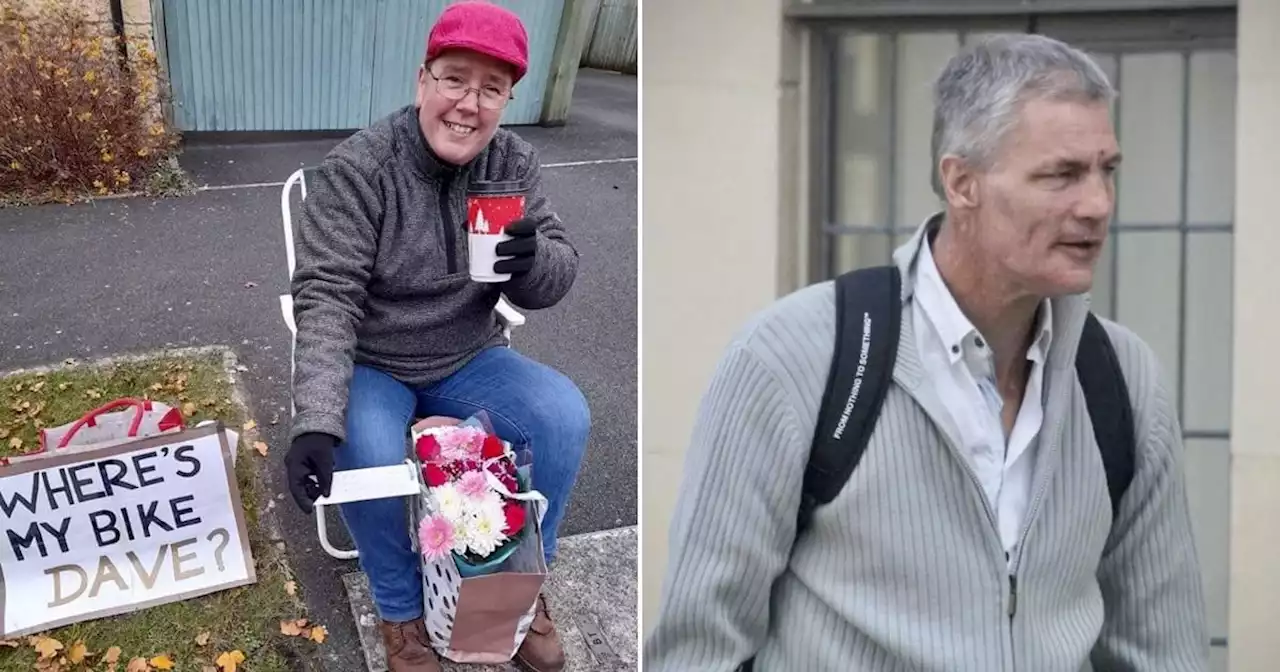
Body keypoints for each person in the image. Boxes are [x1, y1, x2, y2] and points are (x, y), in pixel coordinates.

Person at [644, 34, 1208, 671]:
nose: (1098, 204)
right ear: (962, 182)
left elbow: (1164, 651)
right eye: (1061, 175)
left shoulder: (1125, 381)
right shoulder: (791, 356)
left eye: (1108, 169)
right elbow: (698, 650)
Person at [282, 3, 590, 671]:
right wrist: (315, 420)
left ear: (508, 98)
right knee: (362, 450)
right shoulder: (360, 169)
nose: (468, 104)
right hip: (376, 361)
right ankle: (402, 619)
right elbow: (327, 296)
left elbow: (557, 269)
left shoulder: (512, 163)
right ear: (422, 80)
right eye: (454, 79)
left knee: (561, 416)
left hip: (467, 354)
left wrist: (534, 262)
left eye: (491, 88)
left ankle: (521, 592)